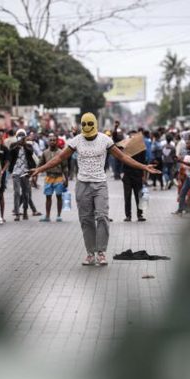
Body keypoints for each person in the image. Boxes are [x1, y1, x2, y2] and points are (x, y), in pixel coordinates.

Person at [30, 112, 160, 266]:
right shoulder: (76, 141)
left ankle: (101, 252)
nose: (86, 127)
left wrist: (144, 166)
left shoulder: (105, 140)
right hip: (82, 185)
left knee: (102, 217)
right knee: (86, 220)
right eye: (84, 124)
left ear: (95, 125)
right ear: (81, 125)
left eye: (89, 124)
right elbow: (59, 158)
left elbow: (123, 157)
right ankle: (90, 253)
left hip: (100, 185)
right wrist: (40, 169)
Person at [38, 134, 68, 222]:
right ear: (48, 141)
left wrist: (66, 179)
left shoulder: (61, 152)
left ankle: (59, 215)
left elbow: (65, 167)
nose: (52, 142)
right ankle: (47, 216)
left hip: (58, 177)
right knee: (48, 196)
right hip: (48, 177)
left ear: (57, 141)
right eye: (50, 140)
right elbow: (40, 165)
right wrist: (35, 173)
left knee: (59, 196)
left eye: (54, 140)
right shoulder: (45, 153)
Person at [9, 129, 36, 221]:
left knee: (25, 193)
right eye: (19, 136)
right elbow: (10, 153)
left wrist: (24, 144)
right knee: (16, 192)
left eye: (22, 136)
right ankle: (17, 213)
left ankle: (25, 211)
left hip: (25, 172)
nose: (21, 138)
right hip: (16, 172)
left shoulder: (28, 146)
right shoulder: (13, 146)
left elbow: (31, 152)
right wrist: (18, 144)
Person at [122, 130, 147, 222]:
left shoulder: (141, 148)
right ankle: (128, 216)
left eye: (134, 137)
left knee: (139, 196)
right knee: (127, 196)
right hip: (127, 175)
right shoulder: (125, 147)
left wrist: (143, 175)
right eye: (130, 137)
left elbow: (144, 162)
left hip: (138, 175)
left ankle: (140, 215)